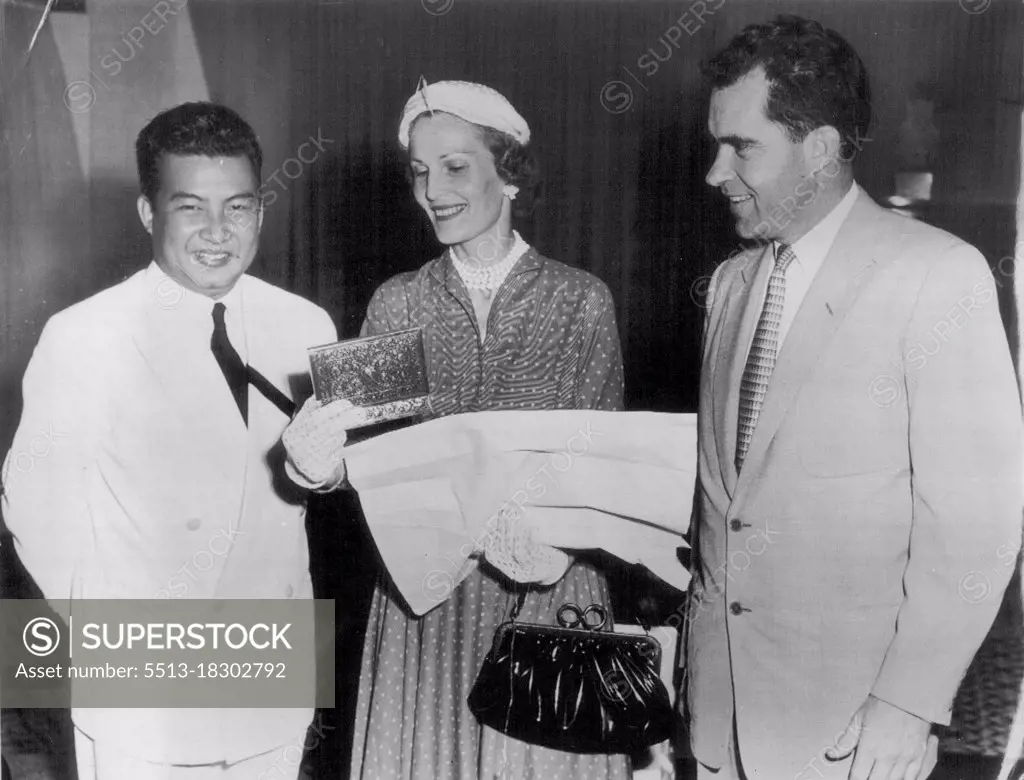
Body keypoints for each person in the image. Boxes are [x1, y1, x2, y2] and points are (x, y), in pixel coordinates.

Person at [686, 15, 1023, 780]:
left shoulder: (936, 276)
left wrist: (909, 705)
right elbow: (720, 505)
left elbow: (978, 525)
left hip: (852, 733)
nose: (715, 172)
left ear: (822, 148)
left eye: (742, 147)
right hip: (716, 724)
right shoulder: (731, 286)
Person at [282, 80, 629, 779]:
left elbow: (603, 464)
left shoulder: (580, 300)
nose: (431, 190)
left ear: (510, 172)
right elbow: (365, 460)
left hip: (550, 600)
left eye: (455, 167)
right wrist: (315, 467)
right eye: (418, 172)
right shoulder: (398, 301)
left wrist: (554, 551)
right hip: (425, 605)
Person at [1, 102, 337, 779]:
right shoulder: (84, 335)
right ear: (149, 214)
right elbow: (34, 509)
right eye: (191, 208)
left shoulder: (303, 323)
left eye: (238, 208)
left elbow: (326, 473)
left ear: (260, 212)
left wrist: (323, 474)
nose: (219, 233)